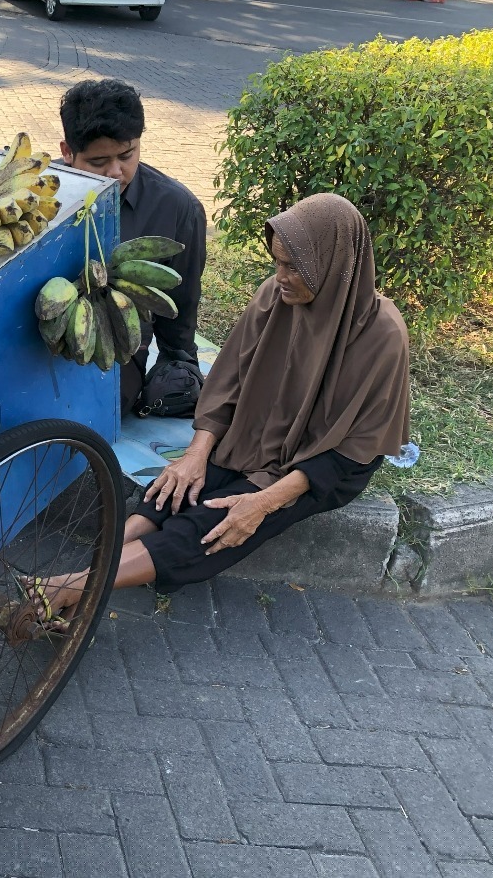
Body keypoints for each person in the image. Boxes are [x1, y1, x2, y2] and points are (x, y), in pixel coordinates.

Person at [23, 193, 410, 621]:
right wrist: (193, 456)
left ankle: (73, 585)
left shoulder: (381, 334)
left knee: (215, 524)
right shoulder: (273, 299)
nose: (279, 277)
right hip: (256, 431)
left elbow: (352, 450)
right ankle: (81, 582)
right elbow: (226, 386)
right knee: (174, 491)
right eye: (276, 262)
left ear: (332, 264)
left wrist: (263, 502)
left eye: (293, 267)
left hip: (321, 465)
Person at [59, 78, 207, 417]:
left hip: (117, 357)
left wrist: (180, 370)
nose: (116, 172)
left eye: (127, 155)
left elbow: (182, 304)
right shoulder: (42, 198)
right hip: (40, 346)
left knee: (98, 414)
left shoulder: (177, 208)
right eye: (98, 162)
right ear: (68, 152)